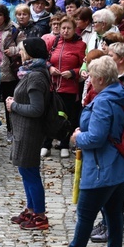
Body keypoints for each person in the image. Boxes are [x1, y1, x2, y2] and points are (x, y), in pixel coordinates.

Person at [45, 56, 124, 247]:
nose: (89, 79)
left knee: (85, 214)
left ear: (101, 79)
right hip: (119, 165)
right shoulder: (121, 94)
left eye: (92, 76)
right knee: (112, 212)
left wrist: (77, 137)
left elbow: (96, 137)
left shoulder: (104, 101)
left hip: (101, 166)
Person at [6, 38, 52, 229]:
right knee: (25, 171)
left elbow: (36, 109)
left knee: (30, 172)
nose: (20, 51)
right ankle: (31, 209)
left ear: (30, 52)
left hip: (30, 131)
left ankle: (40, 215)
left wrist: (13, 105)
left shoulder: (35, 76)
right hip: (23, 129)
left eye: (23, 49)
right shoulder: (31, 72)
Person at [43, 15, 86, 158]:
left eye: (69, 28)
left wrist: (73, 73)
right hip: (53, 86)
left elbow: (84, 66)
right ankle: (46, 144)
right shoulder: (54, 42)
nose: (65, 31)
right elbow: (46, 59)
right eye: (63, 28)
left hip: (69, 87)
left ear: (75, 29)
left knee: (67, 116)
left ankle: (64, 144)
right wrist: (50, 68)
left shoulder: (80, 45)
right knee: (50, 115)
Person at [0, 3, 20, 144]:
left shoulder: (14, 29)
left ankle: (11, 130)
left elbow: (22, 46)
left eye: (0, 15)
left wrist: (14, 51)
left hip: (9, 73)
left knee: (9, 104)